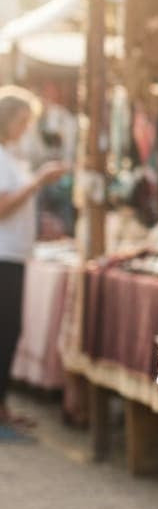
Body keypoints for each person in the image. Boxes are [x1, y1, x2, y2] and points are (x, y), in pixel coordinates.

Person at [0, 86, 70, 439]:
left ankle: (3, 409)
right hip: (3, 257)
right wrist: (39, 181)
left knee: (10, 332)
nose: (26, 128)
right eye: (23, 121)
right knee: (5, 331)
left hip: (15, 254)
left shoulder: (13, 158)